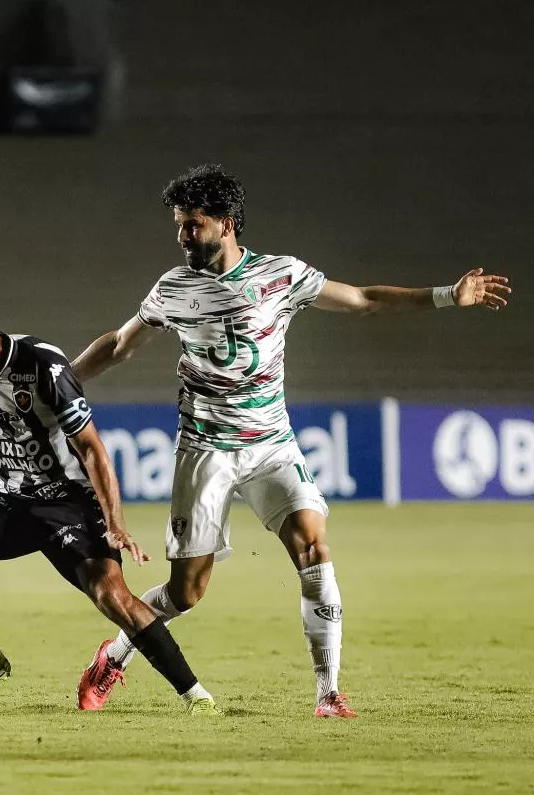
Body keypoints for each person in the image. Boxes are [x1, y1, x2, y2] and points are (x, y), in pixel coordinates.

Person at [72, 164, 512, 718]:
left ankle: (328, 693)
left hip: (272, 446)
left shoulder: (282, 275)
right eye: (179, 225)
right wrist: (60, 384)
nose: (182, 236)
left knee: (313, 548)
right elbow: (118, 344)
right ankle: (113, 655)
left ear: (227, 223)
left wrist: (448, 295)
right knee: (187, 593)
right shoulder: (173, 288)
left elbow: (363, 299)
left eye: (193, 224)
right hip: (205, 450)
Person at [0, 287, 219, 714]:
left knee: (112, 597)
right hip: (9, 500)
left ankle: (196, 696)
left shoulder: (42, 365)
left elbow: (92, 449)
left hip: (69, 503)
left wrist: (116, 524)